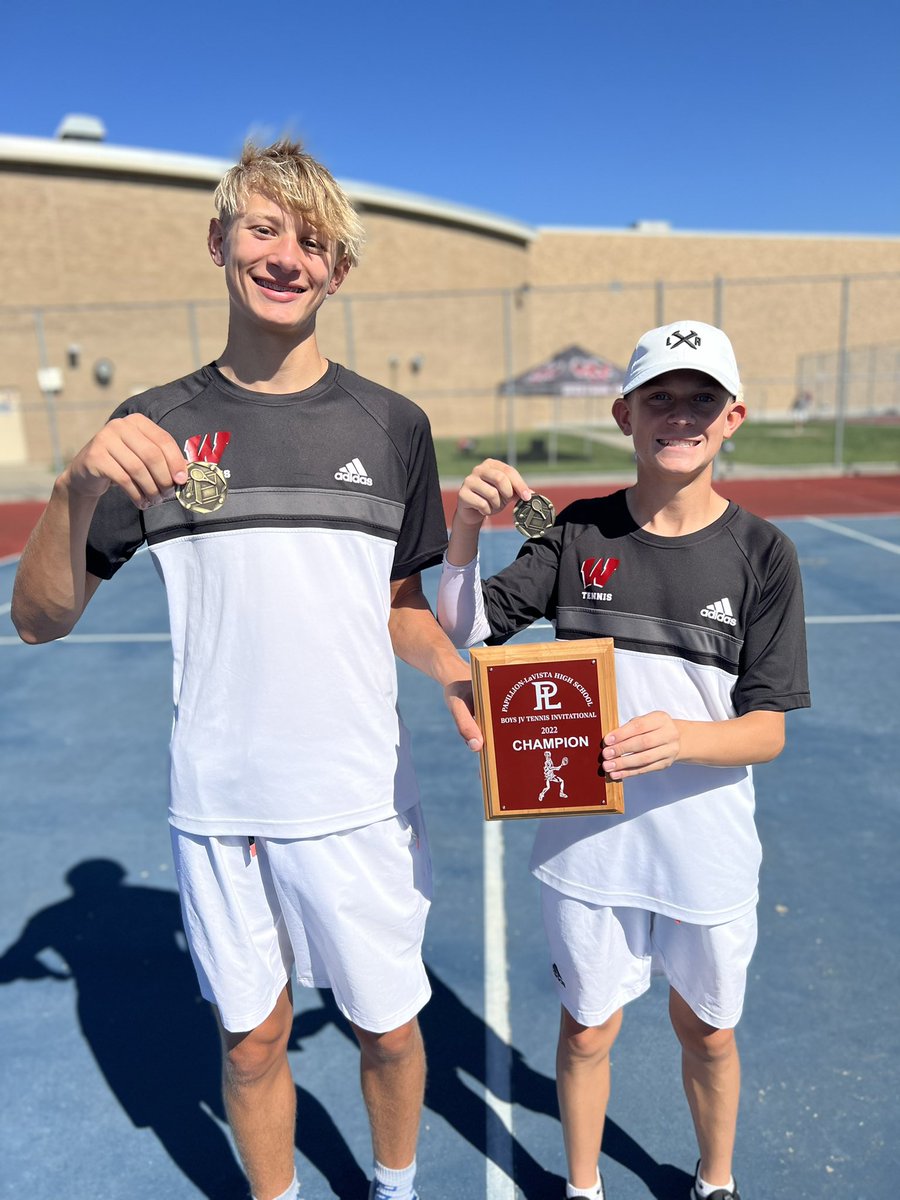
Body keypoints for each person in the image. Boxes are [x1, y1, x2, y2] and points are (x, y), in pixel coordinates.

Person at [12, 139, 483, 1200]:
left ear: (338, 272)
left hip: (359, 798)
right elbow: (38, 620)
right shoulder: (153, 426)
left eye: (313, 241)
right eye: (265, 229)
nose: (288, 255)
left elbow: (401, 605)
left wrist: (455, 670)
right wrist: (74, 487)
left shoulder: (393, 427)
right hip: (221, 806)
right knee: (252, 1046)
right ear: (218, 240)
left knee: (390, 1031)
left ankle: (395, 1191)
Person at [437, 320, 810, 1200]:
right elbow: (469, 632)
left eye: (701, 401)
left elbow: (768, 731)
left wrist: (684, 737)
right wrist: (462, 530)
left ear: (732, 419)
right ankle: (581, 1187)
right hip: (586, 847)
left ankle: (715, 1182)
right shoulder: (577, 534)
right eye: (660, 398)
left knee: (709, 1034)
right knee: (586, 1033)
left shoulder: (765, 555)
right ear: (624, 414)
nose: (680, 416)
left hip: (704, 847)